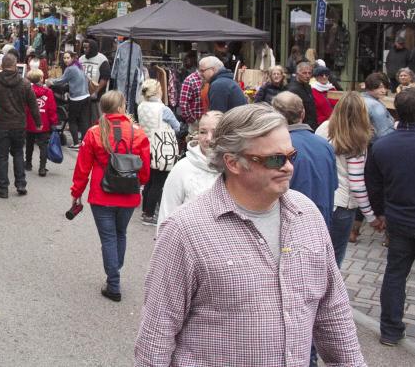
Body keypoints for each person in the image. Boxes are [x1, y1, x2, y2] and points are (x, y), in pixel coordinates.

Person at [135, 103, 366, 366]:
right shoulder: (185, 231)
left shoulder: (307, 216)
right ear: (233, 162)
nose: (289, 167)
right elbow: (156, 337)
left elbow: (333, 314)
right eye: (275, 159)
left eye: (292, 156)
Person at [365, 87, 415, 360]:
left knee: (395, 275)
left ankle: (390, 331)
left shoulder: (383, 145)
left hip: (398, 221)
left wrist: (380, 213)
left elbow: (373, 184)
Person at [71, 90, 150, 302]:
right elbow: (144, 167)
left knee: (108, 238)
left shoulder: (95, 132)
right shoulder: (138, 133)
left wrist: (76, 193)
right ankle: (115, 268)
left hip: (101, 193)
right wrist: (139, 184)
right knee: (120, 233)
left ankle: (113, 281)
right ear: (122, 107)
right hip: (128, 193)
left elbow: (82, 168)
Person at [315, 91, 379, 267]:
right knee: (335, 257)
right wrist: (370, 216)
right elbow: (357, 184)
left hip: (322, 199)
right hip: (343, 205)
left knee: (318, 252)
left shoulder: (323, 128)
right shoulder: (357, 139)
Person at [0, 54, 41, 198]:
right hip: (19, 125)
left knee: (1, 157)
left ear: (2, 65)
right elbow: (33, 105)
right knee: (18, 153)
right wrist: (38, 122)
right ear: (16, 65)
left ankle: (3, 188)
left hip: (1, 125)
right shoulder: (24, 83)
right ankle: (21, 184)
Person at [271, 91, 337, 227]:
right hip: (320, 223)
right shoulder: (325, 146)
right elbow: (333, 185)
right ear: (303, 113)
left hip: (289, 225)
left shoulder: (275, 147)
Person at [157, 111, 223, 229]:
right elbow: (166, 215)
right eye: (203, 132)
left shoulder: (234, 170)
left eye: (215, 132)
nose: (208, 138)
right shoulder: (182, 169)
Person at [137, 78, 180, 226]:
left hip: (146, 146)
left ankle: (145, 211)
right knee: (158, 182)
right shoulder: (163, 109)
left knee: (149, 181)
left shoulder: (141, 106)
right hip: (161, 148)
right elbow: (177, 126)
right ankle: (149, 214)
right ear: (158, 91)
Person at [49, 51, 91, 150]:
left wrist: (50, 81)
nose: (66, 60)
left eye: (68, 58)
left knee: (72, 121)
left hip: (76, 98)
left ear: (72, 58)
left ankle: (76, 143)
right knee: (84, 120)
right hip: (86, 96)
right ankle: (84, 143)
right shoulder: (78, 66)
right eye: (64, 58)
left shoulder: (70, 69)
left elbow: (61, 81)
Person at [24, 69, 58, 177]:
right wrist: (54, 122)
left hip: (30, 122)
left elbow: (25, 107)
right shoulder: (48, 92)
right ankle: (42, 167)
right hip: (44, 124)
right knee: (43, 146)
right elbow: (52, 109)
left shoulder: (28, 91)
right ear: (41, 78)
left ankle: (28, 163)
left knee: (29, 144)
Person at [80, 38, 111, 122]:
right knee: (84, 119)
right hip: (83, 93)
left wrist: (96, 91)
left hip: (97, 95)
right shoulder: (81, 59)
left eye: (87, 48)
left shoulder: (102, 59)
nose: (85, 50)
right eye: (84, 47)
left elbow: (105, 77)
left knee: (96, 118)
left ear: (92, 48)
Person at [362, 72, 395, 144]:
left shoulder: (360, 98)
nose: (384, 91)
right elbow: (383, 133)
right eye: (380, 87)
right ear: (370, 86)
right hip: (374, 145)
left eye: (385, 87)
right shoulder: (375, 105)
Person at [286, 60, 318, 129]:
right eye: (304, 73)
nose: (307, 76)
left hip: (312, 126)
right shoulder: (293, 89)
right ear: (297, 73)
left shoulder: (307, 86)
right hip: (301, 127)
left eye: (309, 73)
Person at [177, 64, 204, 134]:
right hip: (196, 121)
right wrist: (191, 120)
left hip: (208, 119)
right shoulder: (190, 80)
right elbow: (183, 103)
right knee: (195, 142)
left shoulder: (209, 79)